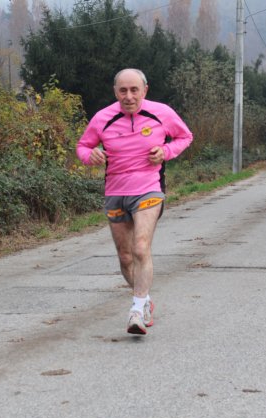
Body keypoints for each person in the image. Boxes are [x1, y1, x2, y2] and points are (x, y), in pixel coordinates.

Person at [76, 68, 193, 335]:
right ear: (115, 92)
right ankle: (145, 298)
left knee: (141, 247)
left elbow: (185, 136)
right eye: (123, 91)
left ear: (144, 90)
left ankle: (137, 311)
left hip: (148, 189)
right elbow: (83, 146)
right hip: (115, 192)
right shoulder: (102, 118)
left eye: (134, 90)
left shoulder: (161, 113)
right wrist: (90, 156)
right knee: (126, 256)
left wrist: (165, 151)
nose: (128, 96)